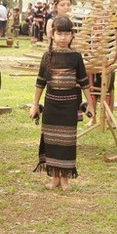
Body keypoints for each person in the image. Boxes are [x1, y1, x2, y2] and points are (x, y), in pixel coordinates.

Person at [30, 16, 95, 190]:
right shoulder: (47, 56)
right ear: (53, 34)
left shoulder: (76, 57)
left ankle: (65, 178)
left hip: (69, 105)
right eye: (59, 34)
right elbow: (40, 82)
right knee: (51, 140)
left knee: (67, 141)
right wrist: (35, 105)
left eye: (67, 34)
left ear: (72, 35)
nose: (63, 37)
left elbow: (84, 82)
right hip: (51, 104)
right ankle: (54, 178)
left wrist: (90, 104)